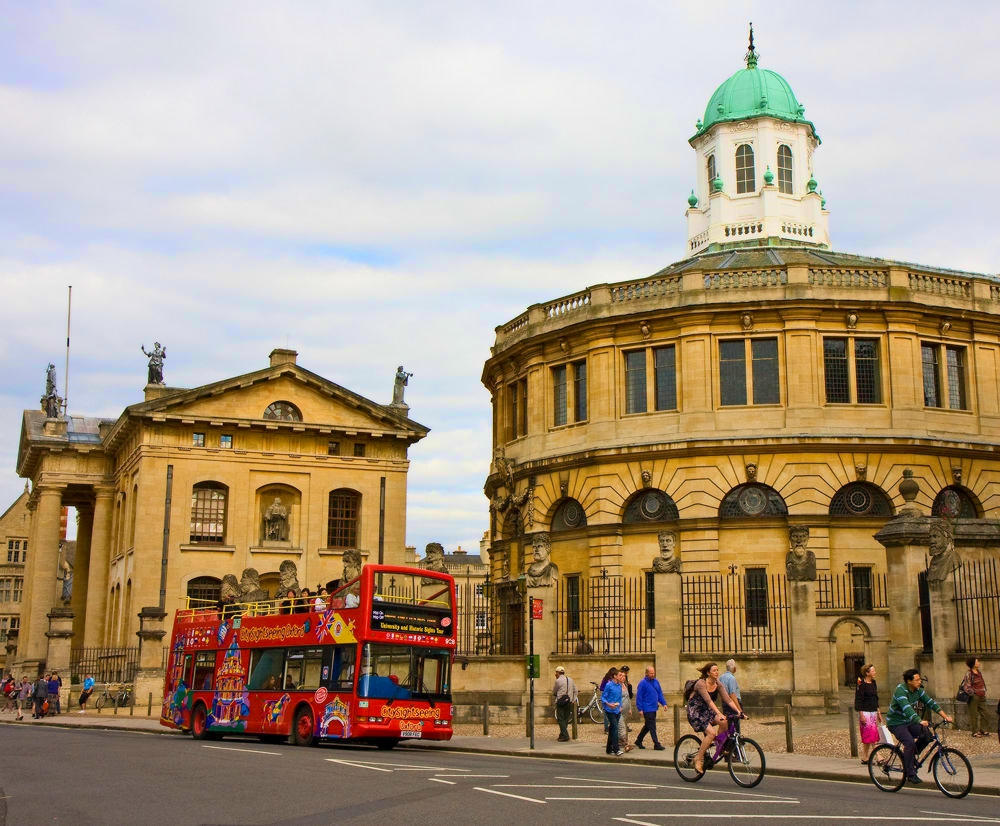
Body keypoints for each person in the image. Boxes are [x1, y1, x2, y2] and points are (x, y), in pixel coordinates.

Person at [886, 668, 953, 785]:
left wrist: (945, 716)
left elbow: (930, 702)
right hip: (896, 723)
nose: (919, 682)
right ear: (909, 681)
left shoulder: (918, 690)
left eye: (919, 679)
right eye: (917, 680)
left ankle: (911, 757)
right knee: (910, 743)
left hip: (909, 721)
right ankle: (910, 774)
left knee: (927, 735)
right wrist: (919, 720)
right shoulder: (900, 691)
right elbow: (906, 708)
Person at [685, 662, 744, 774]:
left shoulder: (718, 684)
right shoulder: (701, 684)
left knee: (725, 722)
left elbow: (728, 699)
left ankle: (719, 747)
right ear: (708, 673)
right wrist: (719, 713)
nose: (717, 672)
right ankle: (698, 759)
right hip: (696, 711)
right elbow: (709, 701)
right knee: (711, 733)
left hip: (707, 710)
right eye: (714, 670)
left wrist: (739, 711)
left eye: (717, 670)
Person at [635, 665, 668, 750]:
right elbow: (639, 697)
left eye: (653, 673)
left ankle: (638, 740)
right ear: (646, 673)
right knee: (652, 726)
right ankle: (656, 744)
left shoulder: (656, 682)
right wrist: (640, 709)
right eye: (651, 673)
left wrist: (664, 703)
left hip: (654, 707)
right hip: (647, 708)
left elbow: (659, 693)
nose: (653, 674)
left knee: (648, 726)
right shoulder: (642, 683)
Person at [854, 663, 882, 764]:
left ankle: (865, 757)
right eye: (873, 671)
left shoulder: (873, 683)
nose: (875, 672)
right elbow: (859, 700)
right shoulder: (861, 684)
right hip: (865, 712)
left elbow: (876, 697)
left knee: (868, 735)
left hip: (873, 711)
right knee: (872, 734)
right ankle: (878, 756)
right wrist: (861, 715)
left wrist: (878, 712)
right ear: (867, 673)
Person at [961, 657, 988, 737]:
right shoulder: (969, 673)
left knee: (985, 713)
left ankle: (983, 730)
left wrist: (983, 690)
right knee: (974, 715)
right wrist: (973, 693)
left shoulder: (978, 672)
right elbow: (967, 686)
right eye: (977, 661)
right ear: (973, 664)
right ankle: (975, 732)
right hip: (974, 696)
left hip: (982, 695)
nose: (978, 663)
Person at [601, 668, 623, 756]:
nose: (621, 677)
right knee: (615, 728)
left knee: (612, 729)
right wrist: (609, 704)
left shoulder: (619, 686)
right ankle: (616, 749)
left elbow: (619, 698)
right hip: (609, 710)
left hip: (617, 710)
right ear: (615, 676)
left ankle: (608, 749)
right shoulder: (609, 685)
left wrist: (620, 706)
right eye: (619, 675)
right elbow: (603, 697)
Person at [552, 665, 577, 742]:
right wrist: (573, 699)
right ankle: (562, 735)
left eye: (556, 673)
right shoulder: (570, 680)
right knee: (565, 719)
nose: (555, 674)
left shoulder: (558, 681)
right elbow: (575, 691)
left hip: (560, 702)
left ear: (558, 673)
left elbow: (554, 692)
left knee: (560, 719)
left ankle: (565, 736)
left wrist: (556, 694)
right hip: (569, 702)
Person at [617, 666, 634, 752]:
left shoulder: (625, 685)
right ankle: (626, 745)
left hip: (625, 711)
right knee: (622, 728)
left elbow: (628, 697)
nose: (623, 678)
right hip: (618, 711)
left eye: (624, 676)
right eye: (621, 676)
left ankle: (617, 744)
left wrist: (630, 708)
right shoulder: (616, 686)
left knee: (620, 728)